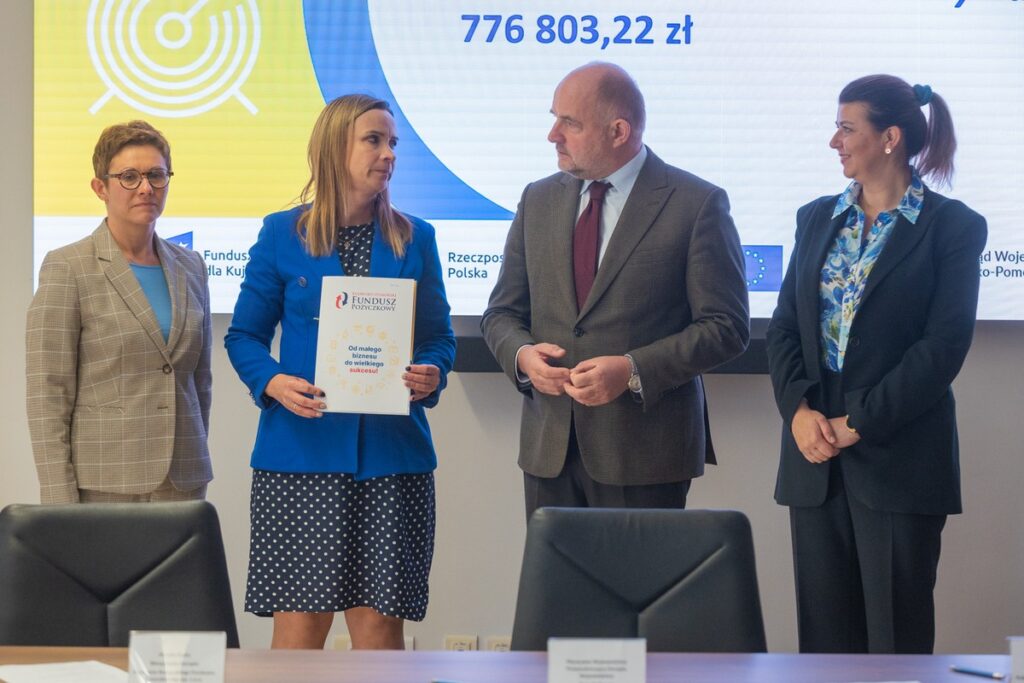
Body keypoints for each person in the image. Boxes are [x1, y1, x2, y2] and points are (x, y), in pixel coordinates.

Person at [225, 94, 455, 650]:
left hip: (390, 459)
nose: (388, 154)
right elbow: (244, 337)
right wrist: (274, 382)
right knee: (301, 630)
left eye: (393, 142)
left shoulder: (415, 237)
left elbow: (438, 338)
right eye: (373, 140)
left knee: (377, 629)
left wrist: (432, 371)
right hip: (300, 458)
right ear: (334, 148)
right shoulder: (282, 233)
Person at [766, 75, 987, 654]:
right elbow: (785, 327)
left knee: (896, 643)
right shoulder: (816, 218)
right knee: (824, 644)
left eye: (846, 128)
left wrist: (857, 422)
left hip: (898, 456)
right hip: (814, 456)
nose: (833, 141)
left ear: (889, 137)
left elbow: (942, 348)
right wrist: (798, 412)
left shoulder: (954, 227)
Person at [482, 62, 749, 519]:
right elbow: (501, 314)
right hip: (550, 450)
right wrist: (523, 357)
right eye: (554, 117)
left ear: (618, 130)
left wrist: (630, 370)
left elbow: (726, 327)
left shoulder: (696, 203)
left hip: (645, 455)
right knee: (557, 593)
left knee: (643, 592)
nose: (553, 135)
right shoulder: (538, 199)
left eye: (570, 122)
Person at [26, 121, 213, 504]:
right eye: (129, 177)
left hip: (183, 481)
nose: (146, 188)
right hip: (104, 483)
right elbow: (48, 392)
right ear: (101, 187)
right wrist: (59, 500)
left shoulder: (191, 266)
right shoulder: (68, 267)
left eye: (156, 175)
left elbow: (201, 381)